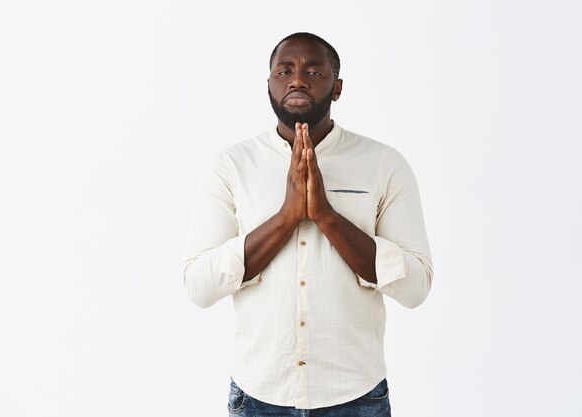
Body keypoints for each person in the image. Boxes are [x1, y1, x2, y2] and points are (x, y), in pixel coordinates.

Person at [183, 32, 433, 417]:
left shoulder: (384, 164)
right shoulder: (231, 166)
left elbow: (416, 288)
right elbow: (198, 286)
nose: (297, 80)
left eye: (314, 71)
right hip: (259, 396)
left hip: (356, 396)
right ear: (269, 84)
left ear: (337, 88)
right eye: (284, 71)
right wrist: (287, 217)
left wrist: (327, 217)